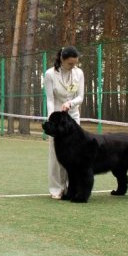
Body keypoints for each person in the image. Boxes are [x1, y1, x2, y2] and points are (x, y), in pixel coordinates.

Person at [44, 46, 85, 199]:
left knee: (74, 154)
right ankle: (56, 188)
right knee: (56, 153)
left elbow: (80, 96)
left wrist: (71, 103)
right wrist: (51, 119)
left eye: (75, 63)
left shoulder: (79, 73)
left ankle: (72, 187)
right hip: (56, 118)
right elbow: (49, 99)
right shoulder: (49, 74)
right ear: (62, 59)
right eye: (70, 63)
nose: (73, 66)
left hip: (73, 116)